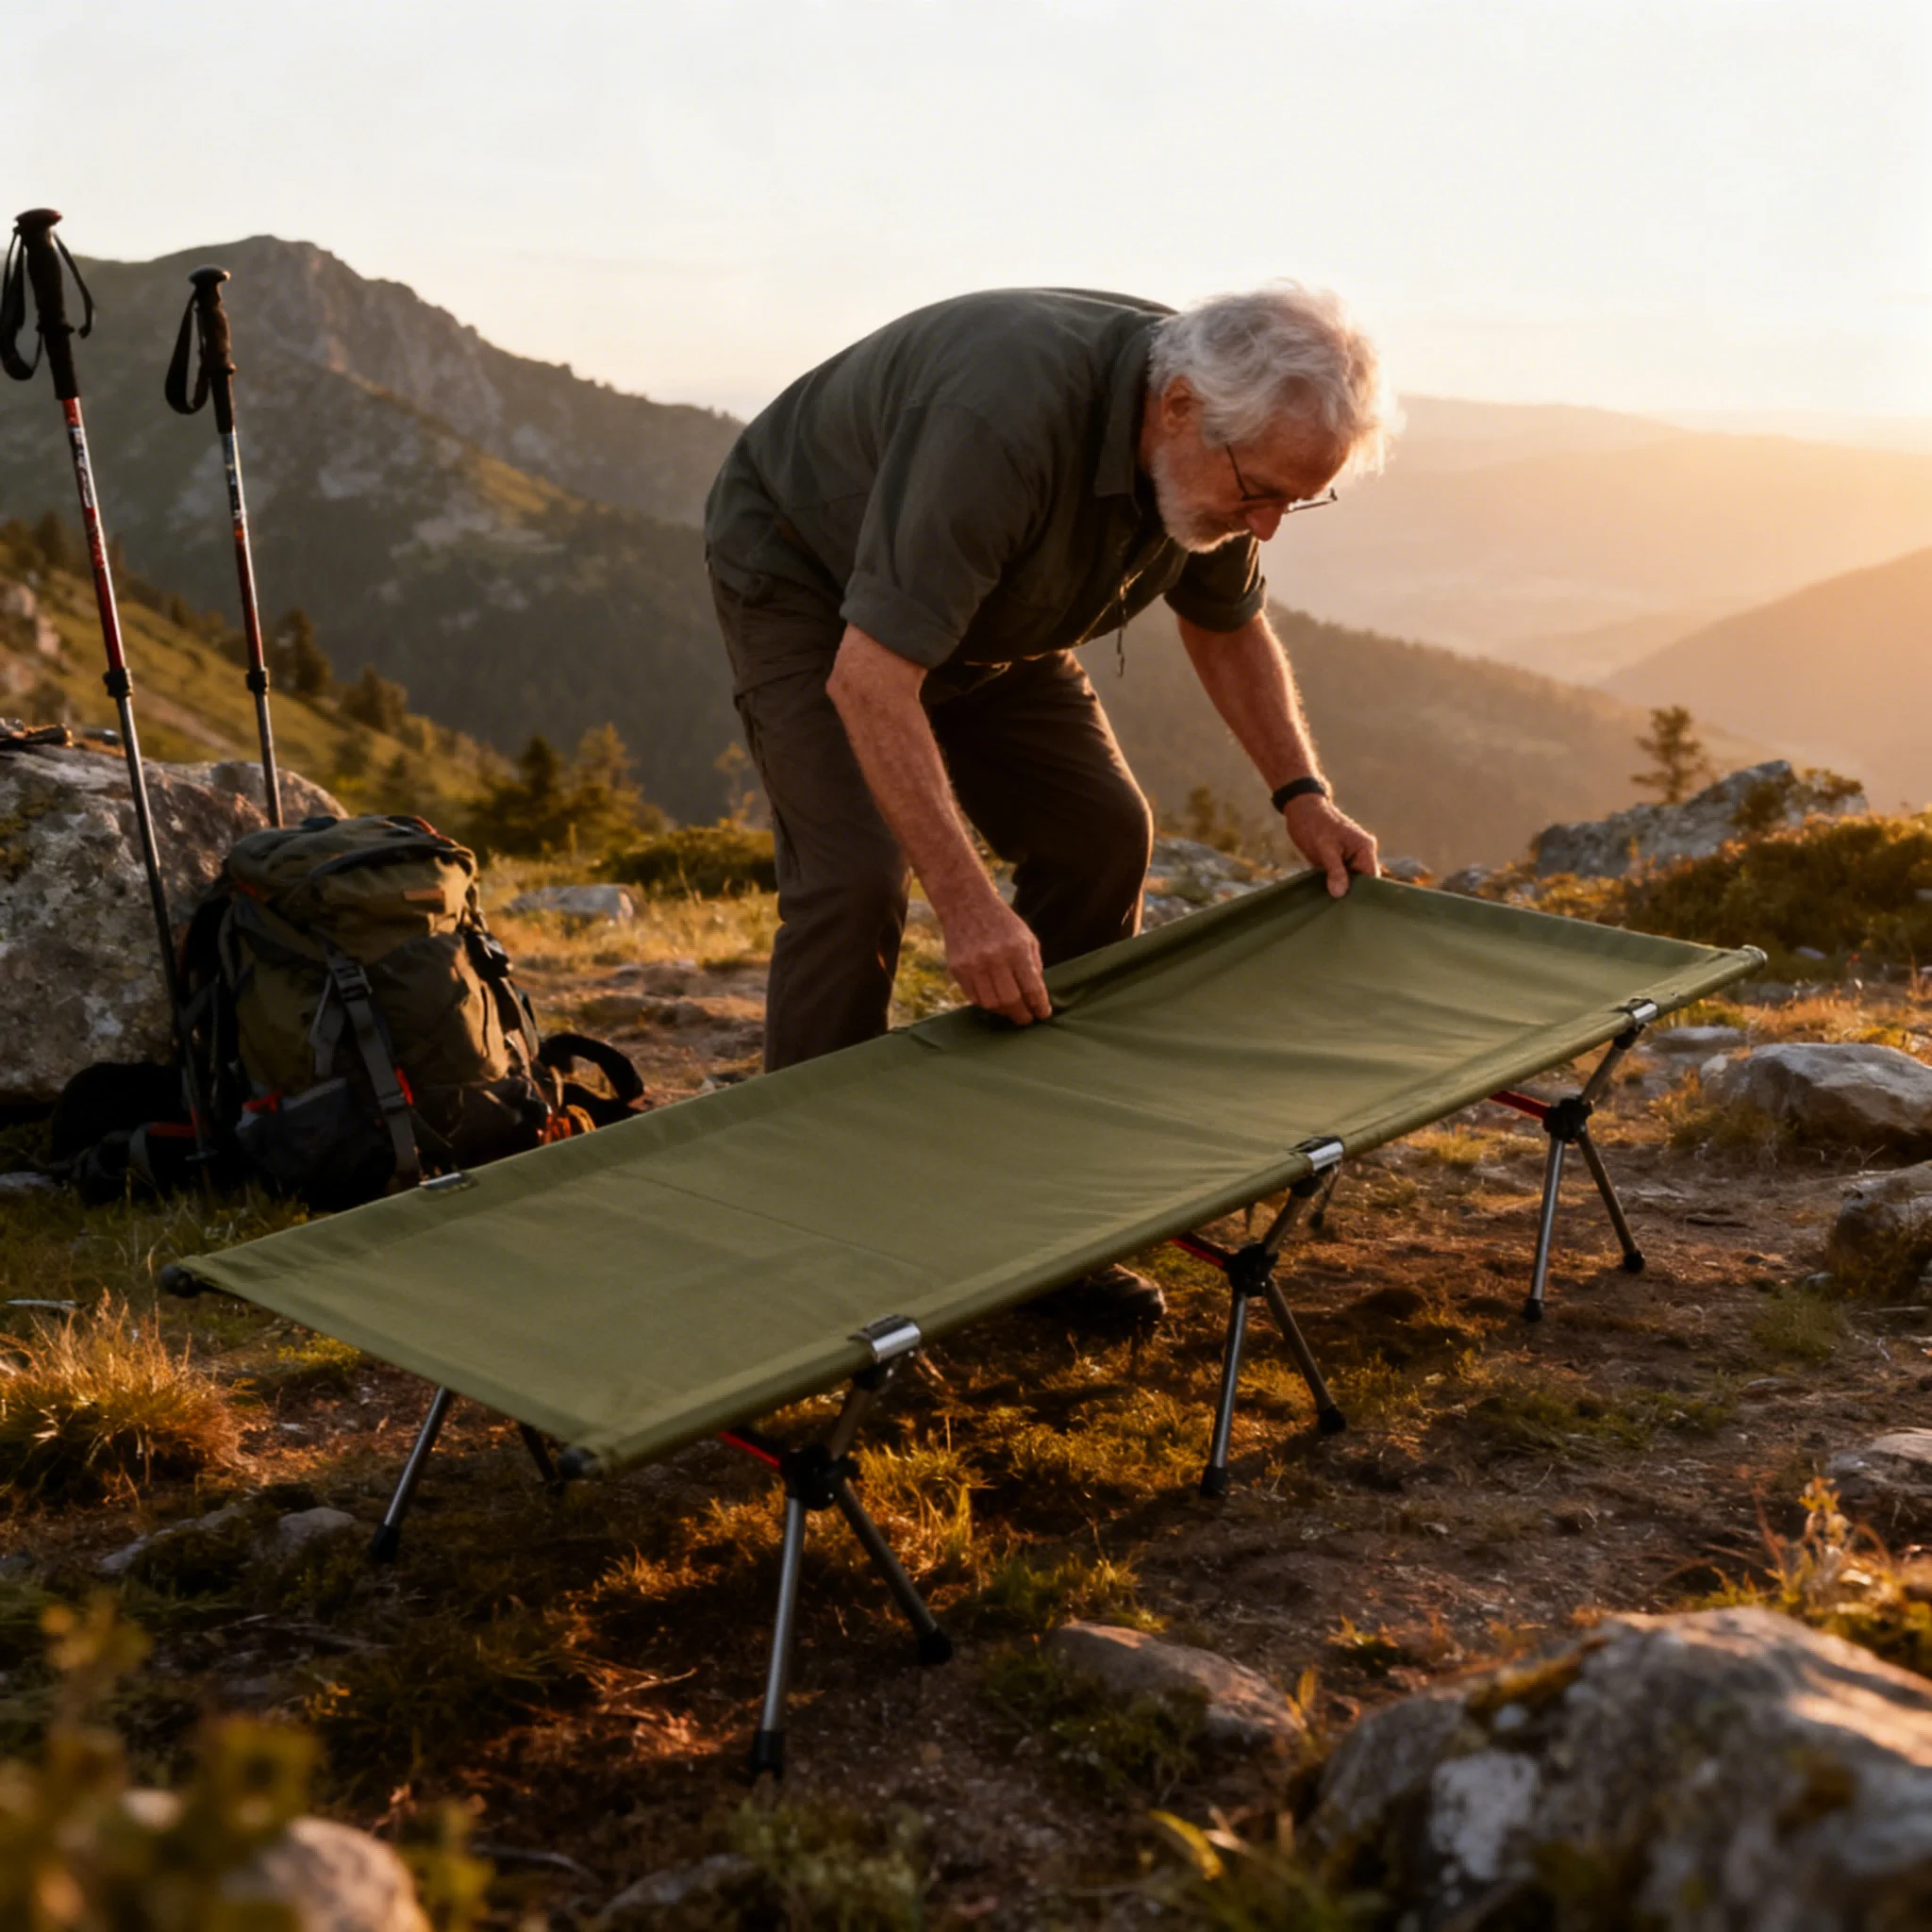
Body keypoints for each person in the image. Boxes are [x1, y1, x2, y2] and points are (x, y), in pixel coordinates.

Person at [705, 284, 1393, 1329]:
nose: (1265, 525)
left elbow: (1225, 625)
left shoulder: (1224, 432)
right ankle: (811, 1256)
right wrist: (970, 908)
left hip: (989, 613)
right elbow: (870, 679)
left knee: (1100, 835)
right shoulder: (1000, 425)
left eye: (1296, 502)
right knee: (851, 879)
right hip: (812, 580)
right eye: (1258, 492)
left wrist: (1301, 795)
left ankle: (1031, 1211)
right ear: (1171, 409)